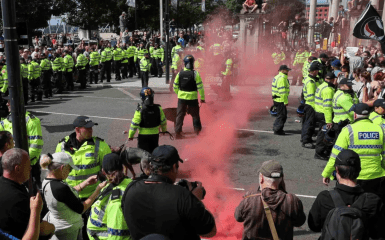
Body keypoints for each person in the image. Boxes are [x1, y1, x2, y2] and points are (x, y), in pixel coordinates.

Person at [122, 145, 216, 240]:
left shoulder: (130, 189)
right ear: (174, 166)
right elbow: (210, 231)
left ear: (151, 165)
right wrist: (196, 200)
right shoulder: (182, 197)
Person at [55, 116, 112, 239]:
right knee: (71, 228)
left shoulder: (101, 145)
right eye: (87, 128)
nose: (91, 130)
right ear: (77, 129)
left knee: (90, 229)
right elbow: (56, 172)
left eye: (91, 127)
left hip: (92, 197)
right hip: (70, 196)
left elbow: (110, 172)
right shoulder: (62, 145)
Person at [309, 150, 385, 238]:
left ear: (337, 170)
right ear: (359, 170)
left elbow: (314, 226)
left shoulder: (325, 198)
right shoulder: (373, 201)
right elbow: (379, 232)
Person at [322, 103, 385, 201]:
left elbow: (335, 155)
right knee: (372, 205)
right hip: (375, 176)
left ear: (355, 115)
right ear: (369, 115)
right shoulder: (380, 130)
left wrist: (327, 173)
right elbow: (384, 156)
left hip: (353, 176)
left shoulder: (348, 130)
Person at [41, 152, 107, 240]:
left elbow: (67, 195)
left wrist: (86, 183)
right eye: (70, 169)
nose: (69, 173)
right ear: (62, 168)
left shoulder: (48, 181)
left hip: (57, 225)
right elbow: (81, 208)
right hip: (68, 232)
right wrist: (97, 190)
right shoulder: (60, 188)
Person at [234, 160, 306, 240]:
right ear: (282, 178)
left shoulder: (249, 199)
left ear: (261, 178)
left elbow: (238, 217)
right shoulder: (292, 201)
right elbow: (299, 222)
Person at [0, 148, 55, 240]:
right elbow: (40, 229)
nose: (30, 168)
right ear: (17, 169)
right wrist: (53, 227)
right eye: (28, 165)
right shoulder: (17, 198)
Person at [0, 96, 43, 187]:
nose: (7, 104)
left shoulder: (32, 121)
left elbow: (36, 146)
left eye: (9, 102)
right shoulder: (4, 121)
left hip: (28, 165)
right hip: (11, 166)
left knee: (33, 193)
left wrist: (20, 161)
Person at [87, 153, 132, 240]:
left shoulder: (116, 202)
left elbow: (117, 236)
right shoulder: (128, 182)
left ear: (103, 172)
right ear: (123, 168)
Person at [173, 55, 205, 139]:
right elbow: (200, 87)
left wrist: (179, 94)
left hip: (181, 98)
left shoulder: (180, 73)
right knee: (195, 115)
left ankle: (178, 133)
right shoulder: (195, 73)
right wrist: (202, 97)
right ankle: (197, 132)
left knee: (180, 115)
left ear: (184, 63)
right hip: (193, 98)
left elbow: (175, 86)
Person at [128, 87, 167, 153]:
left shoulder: (139, 110)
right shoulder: (158, 108)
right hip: (155, 135)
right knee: (154, 153)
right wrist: (164, 130)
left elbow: (134, 125)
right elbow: (163, 121)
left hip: (143, 136)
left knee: (143, 155)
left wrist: (131, 136)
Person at [314, 72, 338, 160]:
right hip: (324, 114)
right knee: (323, 134)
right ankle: (319, 152)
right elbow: (327, 107)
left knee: (322, 133)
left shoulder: (322, 85)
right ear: (332, 80)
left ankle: (321, 151)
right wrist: (329, 121)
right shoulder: (328, 90)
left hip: (319, 112)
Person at [301, 62, 322, 148]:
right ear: (314, 71)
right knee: (309, 123)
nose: (318, 72)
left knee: (308, 123)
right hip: (311, 105)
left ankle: (305, 138)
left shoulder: (311, 79)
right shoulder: (310, 82)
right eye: (317, 70)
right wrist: (316, 107)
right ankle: (306, 141)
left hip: (309, 105)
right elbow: (311, 97)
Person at [272, 65, 291, 135]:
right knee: (282, 116)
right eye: (287, 70)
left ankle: (277, 127)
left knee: (281, 115)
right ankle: (277, 129)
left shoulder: (277, 77)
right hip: (280, 100)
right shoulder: (282, 79)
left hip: (277, 99)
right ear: (282, 70)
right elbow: (282, 92)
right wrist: (285, 101)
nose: (288, 71)